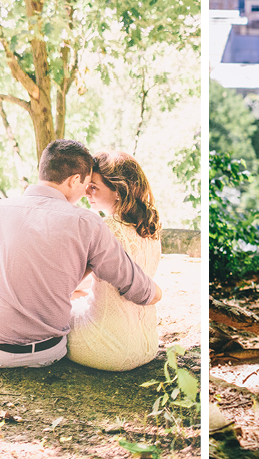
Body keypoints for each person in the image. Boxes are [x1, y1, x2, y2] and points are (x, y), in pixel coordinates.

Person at [0, 139, 163, 368]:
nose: (86, 192)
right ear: (75, 180)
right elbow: (127, 278)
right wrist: (153, 293)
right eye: (87, 184)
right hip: (48, 352)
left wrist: (5, 306)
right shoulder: (87, 223)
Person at [67, 151, 162, 371]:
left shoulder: (106, 228)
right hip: (147, 345)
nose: (87, 193)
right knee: (81, 299)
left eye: (94, 187)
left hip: (110, 348)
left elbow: (71, 281)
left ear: (118, 190)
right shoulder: (151, 227)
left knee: (52, 320)